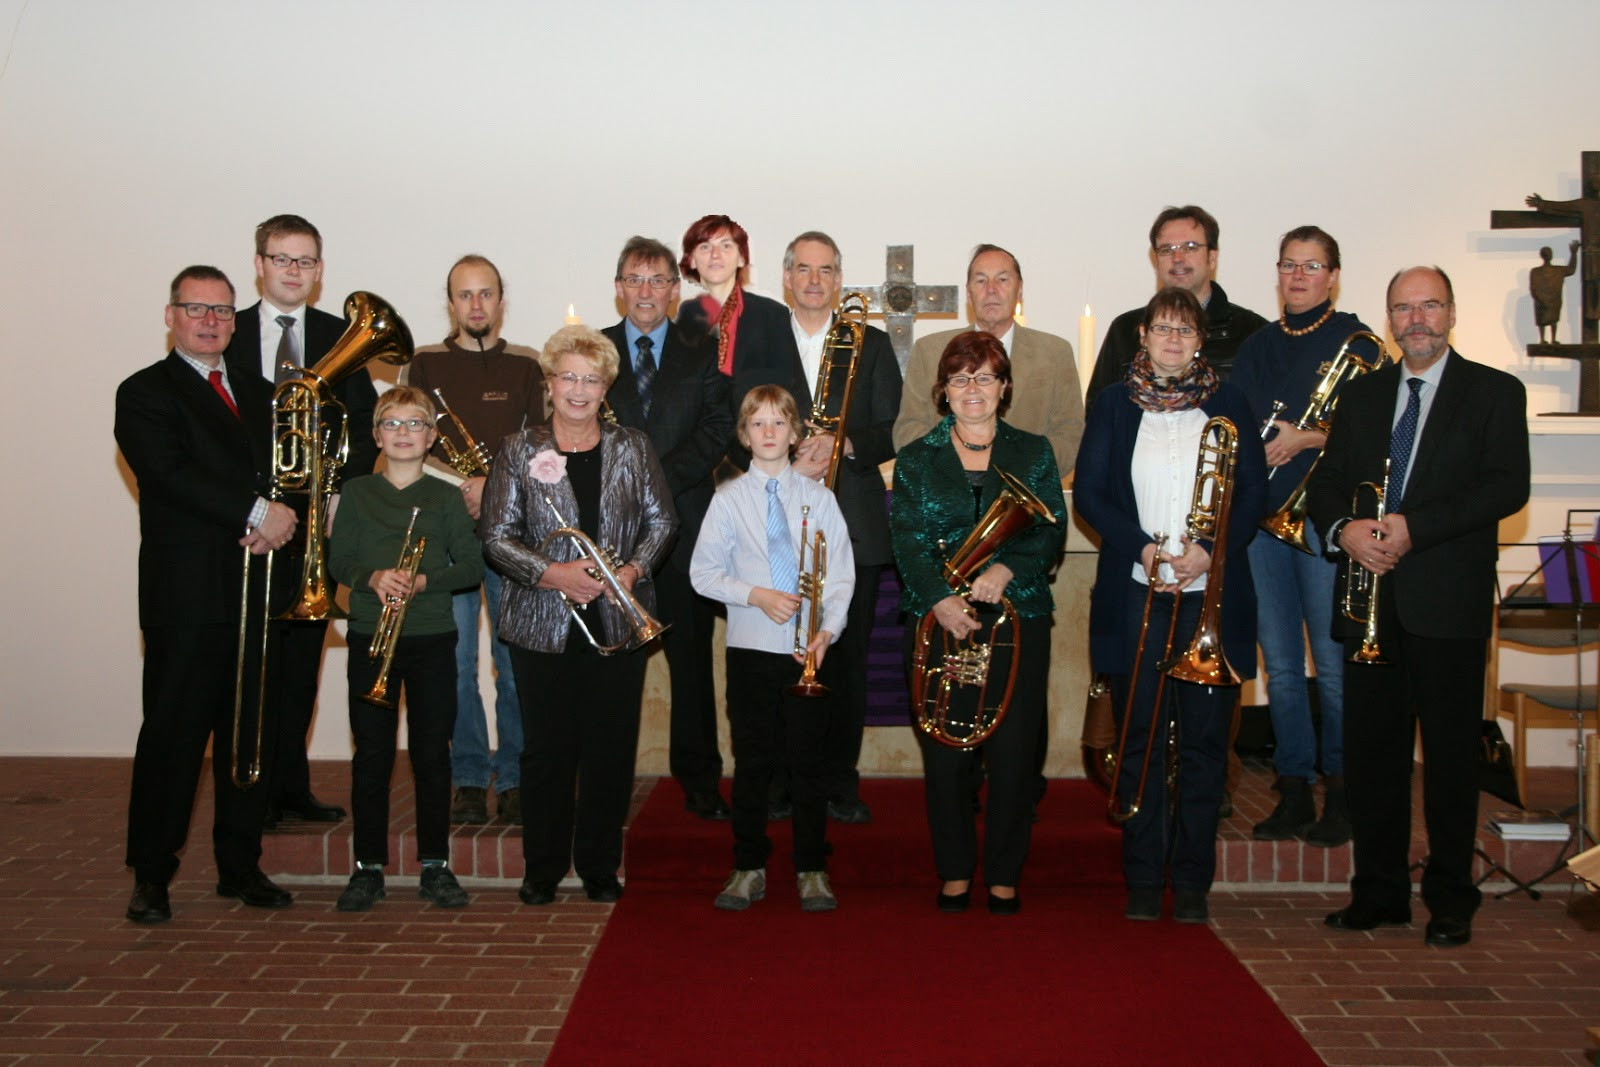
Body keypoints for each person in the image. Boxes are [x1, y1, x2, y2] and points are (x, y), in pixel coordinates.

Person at [1309, 266, 1529, 948]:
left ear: (1452, 311)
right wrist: (1344, 530)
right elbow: (1326, 489)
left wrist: (1415, 527)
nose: (1417, 320)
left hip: (1448, 605)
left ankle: (1451, 897)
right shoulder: (1364, 395)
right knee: (1373, 757)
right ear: (1388, 318)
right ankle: (1378, 893)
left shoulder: (1494, 391)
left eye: (1429, 305)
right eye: (1403, 309)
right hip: (1370, 600)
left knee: (1452, 762)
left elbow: (1505, 486)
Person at [1076, 287, 1266, 923]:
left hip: (1210, 595)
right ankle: (1140, 876)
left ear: (1200, 339)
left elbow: (1253, 494)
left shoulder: (1230, 403)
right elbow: (1093, 497)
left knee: (1207, 747)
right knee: (1141, 740)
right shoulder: (1110, 405)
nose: (1173, 341)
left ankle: (1191, 883)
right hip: (1139, 591)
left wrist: (1208, 550)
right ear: (1144, 336)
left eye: (1185, 331)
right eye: (1163, 329)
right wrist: (1145, 550)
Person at [115, 265, 299, 922]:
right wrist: (255, 513)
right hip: (187, 595)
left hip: (255, 587)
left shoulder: (257, 390)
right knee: (174, 734)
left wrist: (284, 515)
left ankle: (240, 864)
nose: (211, 320)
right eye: (196, 308)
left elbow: (285, 476)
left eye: (222, 310)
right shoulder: (143, 392)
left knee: (252, 730)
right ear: (171, 315)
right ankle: (152, 873)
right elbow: (168, 474)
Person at [480, 326, 677, 905]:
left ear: (606, 387)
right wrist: (555, 574)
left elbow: (662, 522)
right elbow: (496, 537)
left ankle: (598, 866)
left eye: (591, 379)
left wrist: (631, 575)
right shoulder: (520, 449)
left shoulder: (632, 446)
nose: (578, 389)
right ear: (549, 382)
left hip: (618, 616)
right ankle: (541, 867)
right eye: (568, 376)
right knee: (546, 751)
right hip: (541, 621)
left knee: (610, 749)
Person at [891, 331, 1067, 915]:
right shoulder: (917, 458)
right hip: (939, 619)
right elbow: (908, 539)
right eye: (961, 379)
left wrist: (1006, 572)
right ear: (942, 391)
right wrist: (939, 596)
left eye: (985, 377)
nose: (974, 390)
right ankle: (955, 870)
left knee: (1015, 751)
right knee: (945, 749)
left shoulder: (1034, 451)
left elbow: (1049, 531)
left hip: (1018, 615)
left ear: (1004, 387)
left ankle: (1004, 872)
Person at [1229, 226, 1381, 847]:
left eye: (1311, 266)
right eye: (1289, 265)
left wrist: (1309, 439)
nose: (1298, 277)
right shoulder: (1259, 343)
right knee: (1284, 669)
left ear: (1333, 275)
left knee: (1335, 667)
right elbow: (1234, 417)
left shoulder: (1358, 341)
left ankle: (1342, 793)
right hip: (1263, 522)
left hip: (1322, 522)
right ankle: (1293, 789)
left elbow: (1375, 430)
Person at [224, 213, 376, 829]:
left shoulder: (340, 336)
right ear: (259, 264)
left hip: (315, 527)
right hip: (244, 528)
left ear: (319, 271)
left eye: (306, 261)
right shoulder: (224, 334)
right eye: (282, 259)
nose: (294, 271)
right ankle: (247, 794)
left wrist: (340, 496)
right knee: (245, 666)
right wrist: (255, 507)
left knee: (299, 668)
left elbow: (363, 426)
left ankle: (290, 785)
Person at [691, 386, 855, 911]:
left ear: (794, 434)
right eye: (757, 424)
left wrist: (828, 629)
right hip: (750, 648)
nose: (767, 432)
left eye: (778, 424)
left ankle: (811, 867)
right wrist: (755, 595)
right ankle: (748, 865)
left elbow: (841, 578)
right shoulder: (727, 500)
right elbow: (702, 574)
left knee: (808, 764)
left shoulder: (820, 499)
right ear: (743, 435)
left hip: (807, 652)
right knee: (754, 762)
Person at [328, 387, 483, 911]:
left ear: (431, 436)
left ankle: (435, 866)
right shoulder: (356, 493)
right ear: (376, 435)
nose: (402, 432)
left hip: (431, 636)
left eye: (414, 423)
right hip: (372, 634)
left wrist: (421, 582)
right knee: (371, 755)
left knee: (429, 755)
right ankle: (367, 867)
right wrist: (371, 576)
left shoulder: (444, 497)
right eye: (391, 423)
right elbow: (337, 560)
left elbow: (471, 565)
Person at [406, 254, 544, 827]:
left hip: (513, 533)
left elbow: (543, 445)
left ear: (500, 299)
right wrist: (461, 483)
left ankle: (513, 775)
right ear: (451, 302)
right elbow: (405, 442)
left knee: (512, 664)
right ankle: (467, 773)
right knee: (456, 663)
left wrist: (493, 486)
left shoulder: (528, 363)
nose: (477, 306)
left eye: (486, 294)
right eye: (466, 296)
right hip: (446, 537)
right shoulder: (424, 362)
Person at [601, 236, 734, 822]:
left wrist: (655, 479)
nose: (646, 291)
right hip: (609, 533)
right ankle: (604, 776)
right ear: (619, 288)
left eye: (658, 280)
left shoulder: (702, 348)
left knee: (691, 664)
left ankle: (700, 779)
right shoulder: (593, 351)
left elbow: (718, 428)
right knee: (611, 664)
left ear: (676, 292)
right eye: (635, 279)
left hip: (685, 529)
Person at [783, 230, 903, 824]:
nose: (814, 280)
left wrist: (845, 443)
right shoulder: (762, 340)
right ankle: (786, 781)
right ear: (787, 277)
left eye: (826, 270)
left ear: (839, 280)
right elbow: (736, 418)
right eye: (804, 269)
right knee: (781, 658)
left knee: (847, 662)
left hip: (852, 524)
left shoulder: (871, 344)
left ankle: (840, 781)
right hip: (777, 524)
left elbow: (893, 426)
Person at [894, 244, 1084, 477]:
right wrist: (961, 473)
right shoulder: (929, 351)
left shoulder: (1055, 353)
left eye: (1002, 280)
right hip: (947, 495)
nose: (991, 290)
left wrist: (1021, 474)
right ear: (968, 292)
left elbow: (1070, 433)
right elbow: (908, 430)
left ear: (1020, 289)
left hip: (1026, 497)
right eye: (981, 281)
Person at [1085, 205, 1269, 409]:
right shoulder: (1124, 329)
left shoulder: (1253, 332)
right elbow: (1098, 412)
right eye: (1166, 250)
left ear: (1212, 257)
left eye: (1190, 247)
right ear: (1156, 262)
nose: (1178, 258)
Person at [677, 213, 811, 453]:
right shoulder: (684, 321)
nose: (715, 255)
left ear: (741, 258)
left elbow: (793, 393)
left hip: (762, 455)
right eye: (705, 246)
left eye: (726, 246)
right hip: (701, 461)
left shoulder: (771, 315)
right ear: (693, 260)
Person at [1529, 241, 1581, 343]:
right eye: (1547, 253)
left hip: (1553, 301)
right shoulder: (1536, 271)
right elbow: (1533, 288)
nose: (1548, 255)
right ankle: (1543, 339)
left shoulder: (1558, 270)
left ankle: (1553, 339)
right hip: (1542, 301)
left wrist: (1574, 254)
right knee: (1542, 321)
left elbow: (1571, 269)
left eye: (1549, 253)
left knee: (1553, 320)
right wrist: (1539, 299)